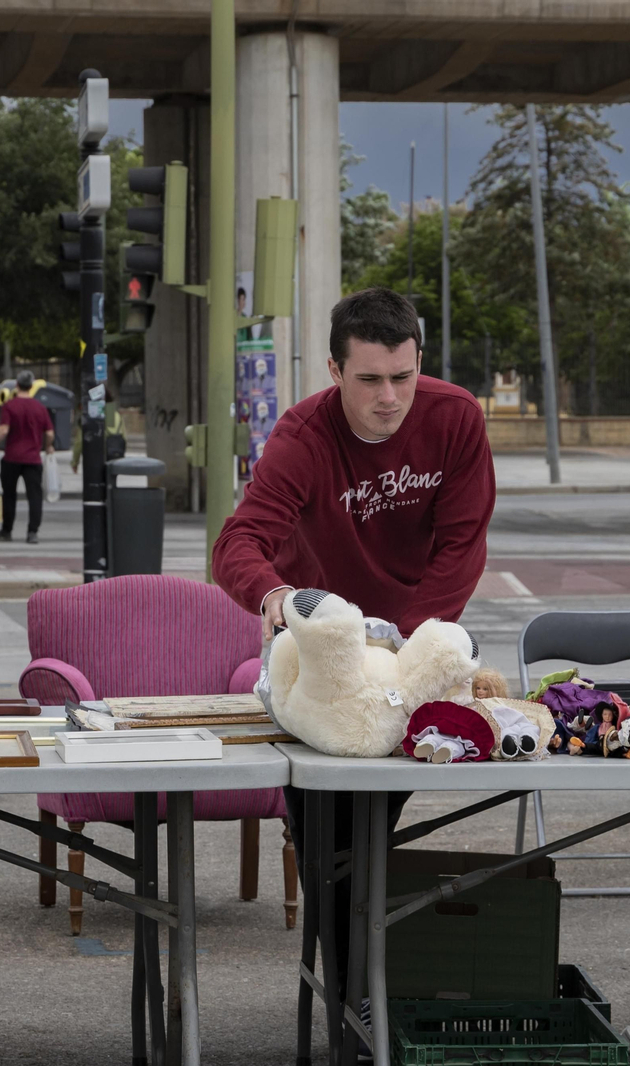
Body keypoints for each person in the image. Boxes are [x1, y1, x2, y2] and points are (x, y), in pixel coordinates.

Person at [212, 286, 496, 1005]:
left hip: (410, 654)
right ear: (336, 371)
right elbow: (238, 542)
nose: (389, 398)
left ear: (420, 361)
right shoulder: (304, 436)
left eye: (403, 376)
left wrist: (407, 652)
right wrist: (276, 598)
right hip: (322, 661)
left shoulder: (455, 417)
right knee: (328, 835)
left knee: (367, 829)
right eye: (369, 379)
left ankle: (355, 991)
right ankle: (350, 996)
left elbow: (462, 546)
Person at [0, 370, 55, 544]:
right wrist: (48, 446)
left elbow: (3, 430)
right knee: (34, 496)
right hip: (33, 459)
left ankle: (7, 531)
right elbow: (50, 433)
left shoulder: (9, 406)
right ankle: (32, 532)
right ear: (32, 386)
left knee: (9, 495)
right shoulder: (40, 408)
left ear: (17, 385)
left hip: (12, 458)